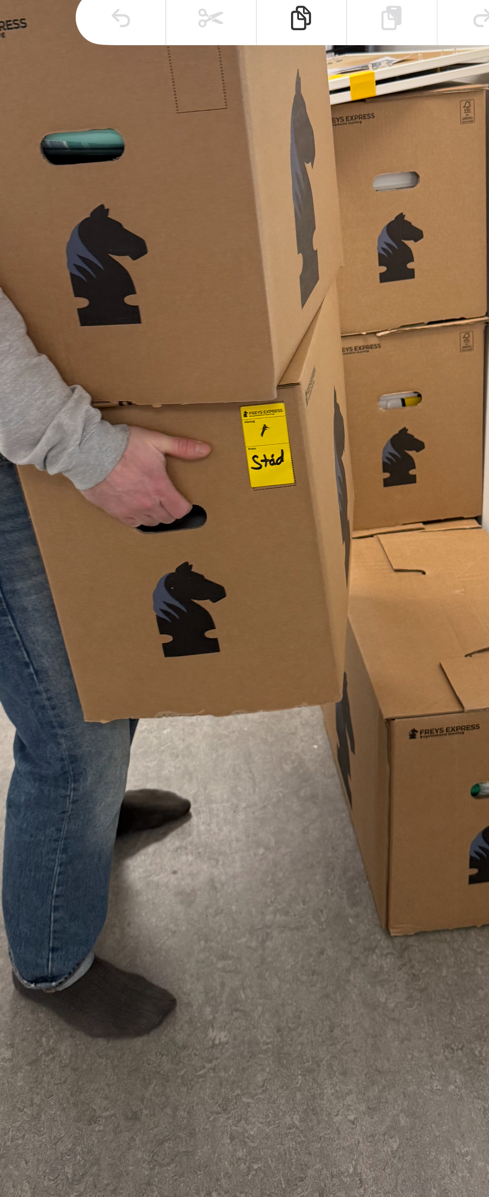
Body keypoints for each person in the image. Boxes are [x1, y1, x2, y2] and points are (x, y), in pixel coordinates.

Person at [0, 285, 211, 1038]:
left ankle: (83, 829)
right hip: (19, 427)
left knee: (111, 664)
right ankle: (50, 964)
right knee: (71, 737)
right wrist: (86, 450)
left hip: (33, 407)